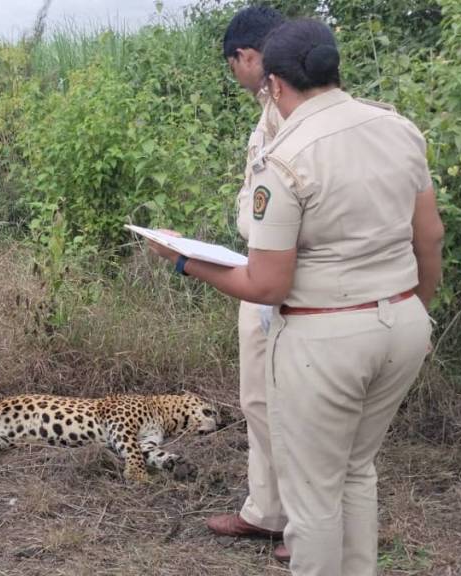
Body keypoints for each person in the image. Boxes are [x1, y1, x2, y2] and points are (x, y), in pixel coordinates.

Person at [148, 19, 444, 576]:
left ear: (276, 83)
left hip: (326, 339)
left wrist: (185, 260)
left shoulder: (286, 157)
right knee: (356, 472)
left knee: (312, 497)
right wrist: (418, 315)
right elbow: (429, 237)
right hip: (402, 323)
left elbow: (267, 285)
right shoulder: (398, 128)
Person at [204, 5, 291, 564]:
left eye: (233, 63)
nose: (235, 74)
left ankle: (305, 526)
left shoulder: (293, 106)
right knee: (257, 397)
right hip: (259, 261)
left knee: (289, 403)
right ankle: (266, 510)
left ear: (247, 56)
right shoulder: (269, 108)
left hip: (283, 274)